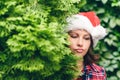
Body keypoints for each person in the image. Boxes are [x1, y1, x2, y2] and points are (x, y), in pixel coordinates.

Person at [65, 11, 107, 80]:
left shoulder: (99, 73)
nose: (80, 43)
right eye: (74, 36)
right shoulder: (50, 70)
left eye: (86, 38)